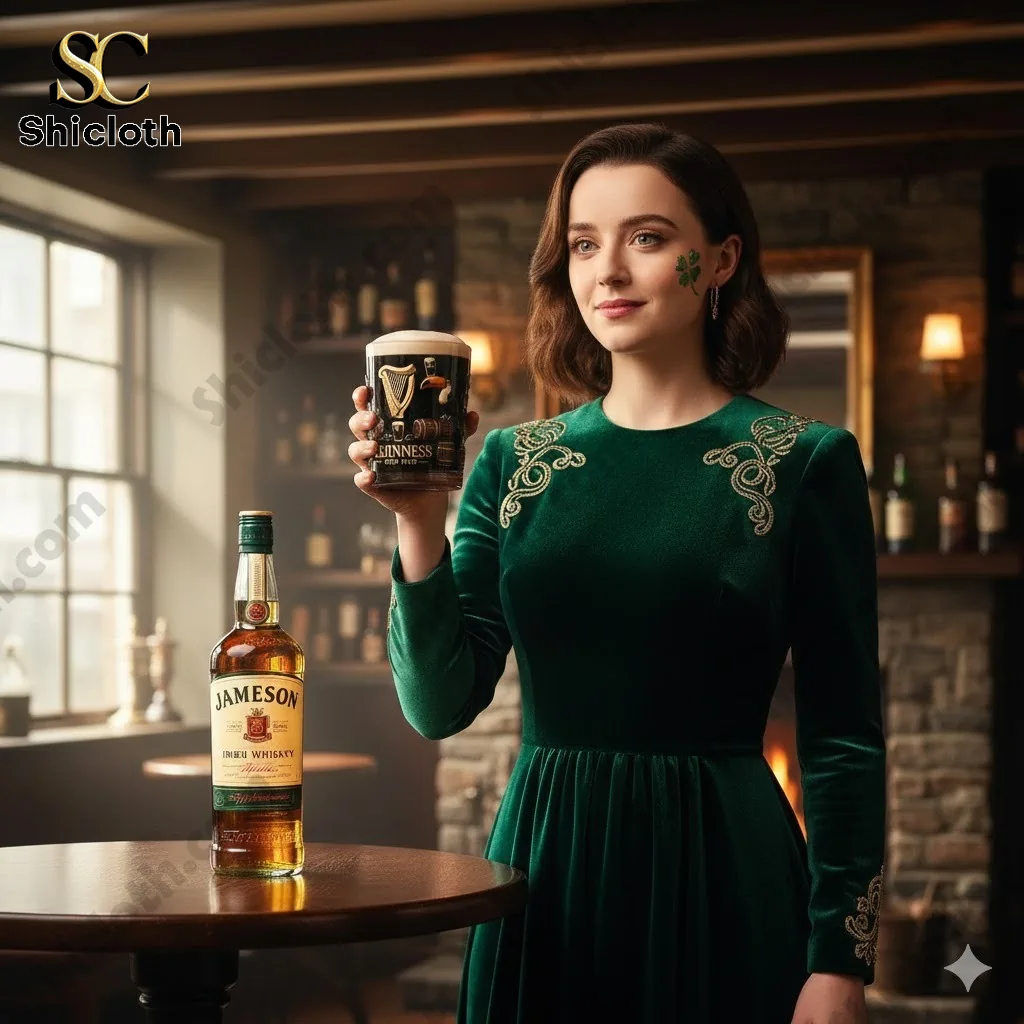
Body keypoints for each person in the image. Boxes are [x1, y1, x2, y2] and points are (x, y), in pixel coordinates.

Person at [347, 122, 886, 1024]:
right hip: (545, 867)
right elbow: (437, 704)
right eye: (583, 245)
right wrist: (417, 522)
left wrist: (842, 959)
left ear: (719, 260)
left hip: (724, 871)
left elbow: (842, 737)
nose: (608, 271)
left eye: (647, 237)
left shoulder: (805, 462)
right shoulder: (511, 462)